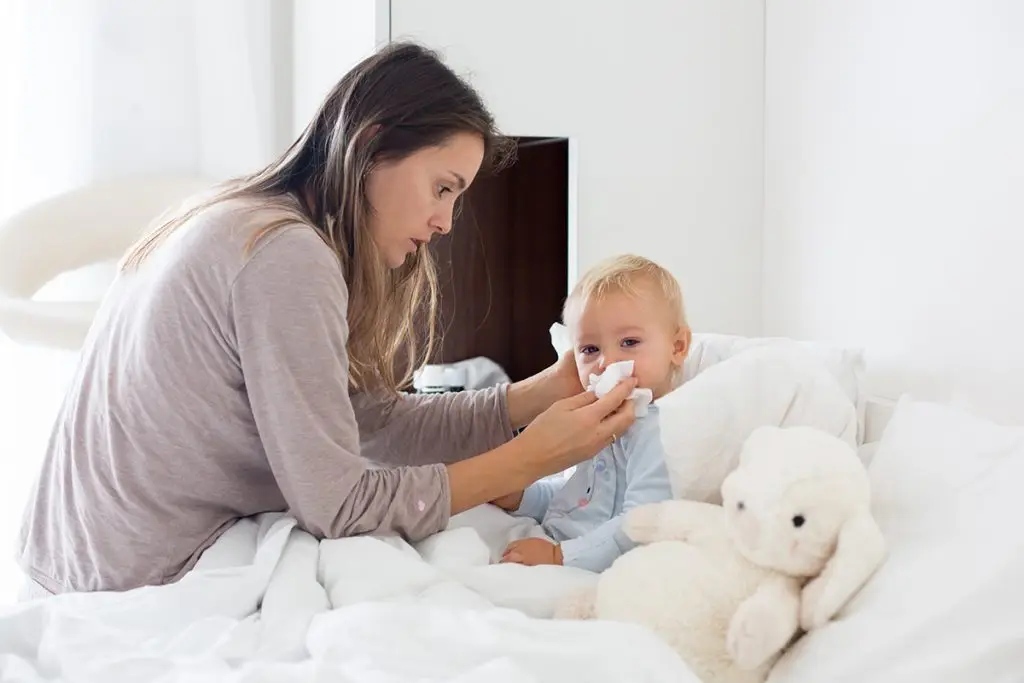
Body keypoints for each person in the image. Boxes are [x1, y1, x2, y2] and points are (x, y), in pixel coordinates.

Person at [16, 42, 638, 597]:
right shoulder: (285, 255)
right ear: (370, 144)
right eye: (442, 188)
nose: (447, 222)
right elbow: (337, 505)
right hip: (127, 582)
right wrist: (527, 460)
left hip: (71, 562)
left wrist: (538, 395)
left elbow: (369, 423)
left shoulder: (244, 215)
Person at [495, 255, 691, 573]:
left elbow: (640, 525)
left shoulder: (659, 429)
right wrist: (522, 497)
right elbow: (576, 499)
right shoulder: (595, 420)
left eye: (629, 342)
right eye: (590, 349)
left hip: (596, 566)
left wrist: (561, 556)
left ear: (678, 347)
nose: (606, 362)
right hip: (555, 542)